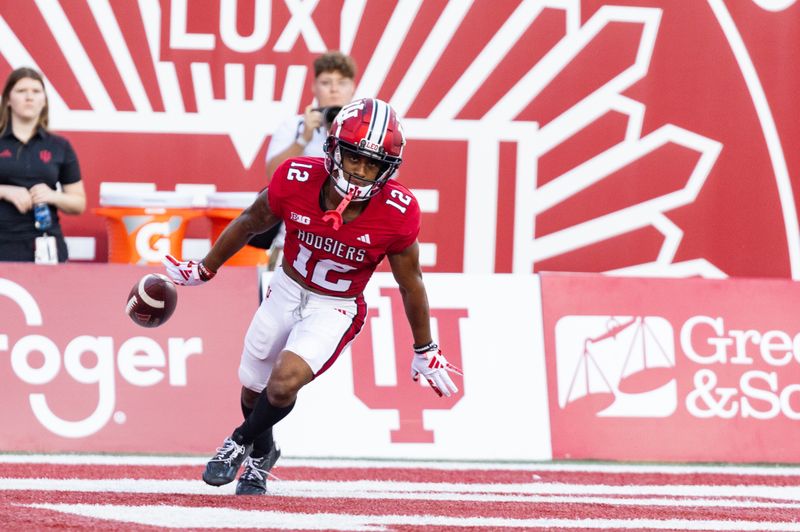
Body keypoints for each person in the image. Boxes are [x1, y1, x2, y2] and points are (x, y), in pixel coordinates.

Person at [163, 98, 462, 495]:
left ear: (387, 169)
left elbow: (412, 283)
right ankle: (262, 454)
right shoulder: (296, 177)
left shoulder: (398, 211)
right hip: (285, 287)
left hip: (334, 306)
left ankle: (236, 443)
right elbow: (251, 221)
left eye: (372, 164)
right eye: (354, 158)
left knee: (283, 383)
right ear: (333, 149)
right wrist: (206, 267)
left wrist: (425, 346)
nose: (359, 171)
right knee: (253, 387)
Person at [250, 51, 357, 264]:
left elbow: (382, 178)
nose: (334, 89)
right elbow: (274, 176)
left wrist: (346, 134)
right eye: (326, 82)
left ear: (353, 87)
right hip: (292, 240)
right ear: (314, 87)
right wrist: (303, 138)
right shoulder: (295, 126)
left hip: (346, 244)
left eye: (342, 82)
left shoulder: (363, 130)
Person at [0, 67, 86, 263]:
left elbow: (78, 203)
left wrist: (52, 195)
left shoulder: (60, 146)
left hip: (45, 245)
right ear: (7, 100)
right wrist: (4, 191)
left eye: (36, 91)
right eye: (21, 91)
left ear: (44, 101)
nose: (29, 97)